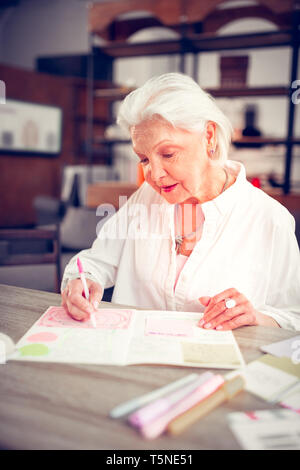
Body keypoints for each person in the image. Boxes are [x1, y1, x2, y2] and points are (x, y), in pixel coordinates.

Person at [61, 73, 300, 331]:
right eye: (144, 159)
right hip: (135, 360)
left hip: (217, 367)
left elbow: (293, 317)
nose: (154, 174)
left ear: (208, 136)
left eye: (168, 154)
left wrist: (254, 317)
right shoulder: (147, 197)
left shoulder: (269, 218)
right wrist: (82, 279)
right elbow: (97, 261)